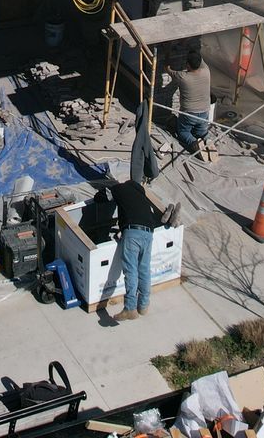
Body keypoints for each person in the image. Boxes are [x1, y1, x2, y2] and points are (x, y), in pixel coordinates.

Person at [110, 177, 164, 322]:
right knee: (144, 269)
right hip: (148, 233)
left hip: (132, 233)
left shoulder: (120, 189)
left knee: (131, 270)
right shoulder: (141, 196)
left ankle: (130, 308)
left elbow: (102, 196)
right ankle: (144, 305)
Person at [170, 50, 212, 155]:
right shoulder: (206, 71)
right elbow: (200, 59)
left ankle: (194, 143)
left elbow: (168, 69)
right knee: (200, 131)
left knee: (183, 132)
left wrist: (167, 53)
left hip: (189, 114)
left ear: (187, 65)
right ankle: (206, 139)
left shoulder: (182, 77)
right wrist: (192, 49)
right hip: (204, 112)